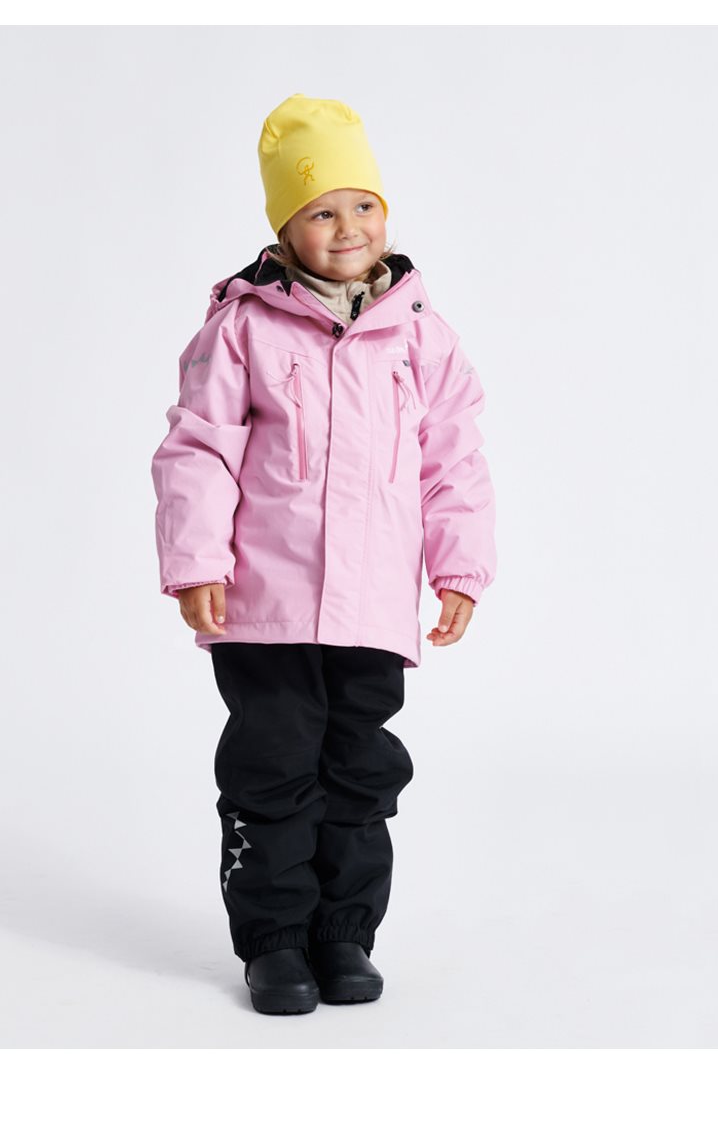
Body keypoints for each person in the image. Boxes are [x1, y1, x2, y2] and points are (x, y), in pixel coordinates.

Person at [150, 93, 497, 1014]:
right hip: (263, 605)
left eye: (364, 205)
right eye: (321, 211)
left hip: (372, 606)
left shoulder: (420, 335)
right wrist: (196, 562)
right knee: (272, 769)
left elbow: (453, 457)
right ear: (284, 228)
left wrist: (459, 567)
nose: (349, 228)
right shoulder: (243, 328)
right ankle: (273, 941)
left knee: (360, 771)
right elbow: (198, 448)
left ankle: (344, 933)